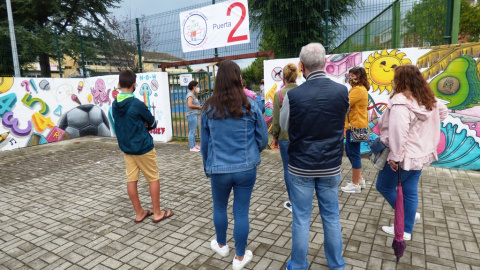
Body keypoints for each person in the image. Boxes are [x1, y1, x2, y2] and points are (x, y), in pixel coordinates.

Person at [280, 43, 348, 270]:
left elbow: (284, 125)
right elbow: (340, 119)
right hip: (330, 165)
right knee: (331, 216)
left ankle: (298, 265)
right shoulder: (342, 91)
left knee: (301, 218)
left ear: (301, 66)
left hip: (301, 166)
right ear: (325, 62)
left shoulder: (294, 95)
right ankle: (336, 264)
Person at [201, 60, 268, 270]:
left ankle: (221, 245)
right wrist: (252, 153)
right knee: (241, 212)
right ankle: (239, 258)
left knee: (219, 207)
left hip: (219, 169)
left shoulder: (208, 108)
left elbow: (204, 144)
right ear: (238, 79)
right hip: (246, 169)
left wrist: (208, 167)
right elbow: (263, 139)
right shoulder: (251, 105)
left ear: (218, 80)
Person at [376, 64, 448, 240]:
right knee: (409, 190)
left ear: (399, 81)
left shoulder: (401, 103)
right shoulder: (428, 98)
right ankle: (407, 228)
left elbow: (398, 134)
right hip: (421, 154)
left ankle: (405, 219)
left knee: (383, 186)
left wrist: (395, 157)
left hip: (404, 156)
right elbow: (443, 113)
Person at [112, 69, 174, 224]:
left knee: (131, 180)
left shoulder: (114, 105)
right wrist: (144, 125)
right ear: (134, 85)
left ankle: (139, 213)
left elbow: (117, 125)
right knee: (153, 178)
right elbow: (152, 123)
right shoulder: (137, 104)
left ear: (119, 84)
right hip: (143, 147)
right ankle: (157, 213)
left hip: (127, 149)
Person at [271, 63, 298, 212]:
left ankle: (292, 201)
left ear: (283, 77)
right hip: (302, 138)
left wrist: (274, 136)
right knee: (301, 168)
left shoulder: (279, 94)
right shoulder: (303, 91)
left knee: (288, 169)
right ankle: (302, 199)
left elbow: (276, 119)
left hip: (285, 136)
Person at [341, 66, 369, 194]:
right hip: (355, 125)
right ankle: (360, 179)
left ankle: (355, 184)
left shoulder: (357, 90)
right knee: (351, 151)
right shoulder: (358, 89)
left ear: (360, 77)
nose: (351, 78)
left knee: (353, 154)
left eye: (353, 76)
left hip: (355, 126)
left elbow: (344, 104)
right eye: (350, 76)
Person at [186, 80, 202, 152]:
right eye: (197, 86)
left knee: (193, 130)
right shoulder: (190, 95)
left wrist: (198, 106)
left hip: (194, 114)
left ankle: (194, 145)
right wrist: (198, 107)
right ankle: (192, 147)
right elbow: (189, 105)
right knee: (192, 131)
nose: (198, 88)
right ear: (194, 87)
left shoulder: (192, 95)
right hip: (191, 115)